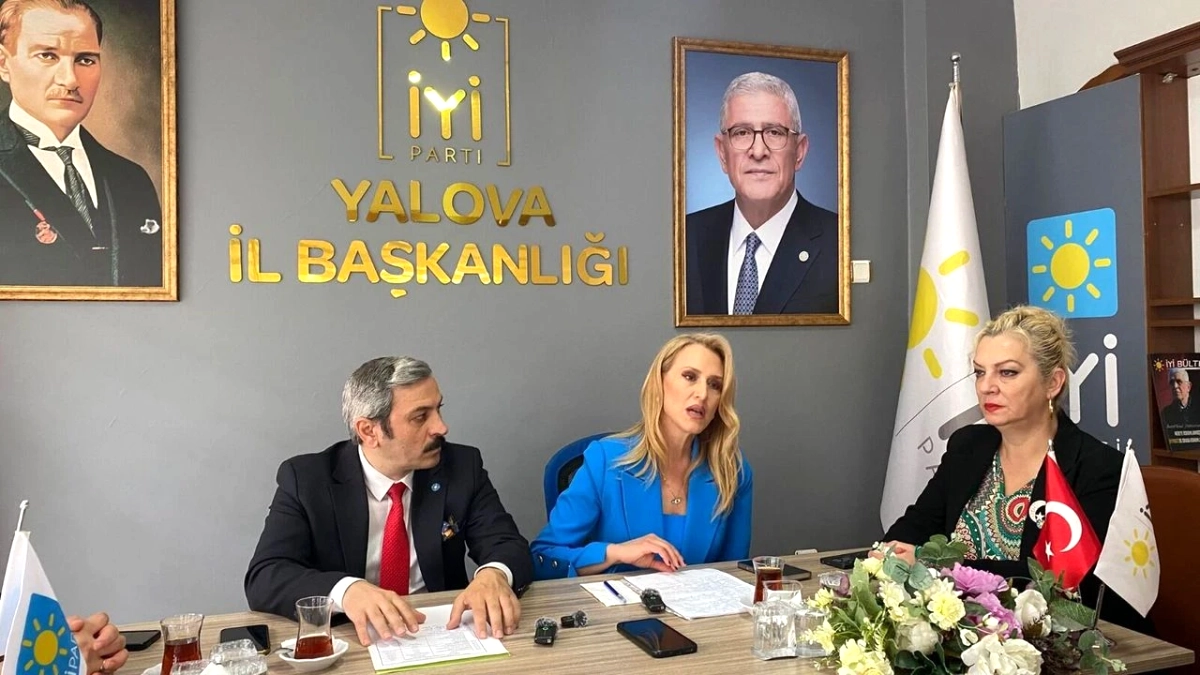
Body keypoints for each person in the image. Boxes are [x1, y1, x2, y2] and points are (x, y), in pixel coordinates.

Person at [881, 305, 1149, 632]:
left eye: (1007, 372)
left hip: (1063, 641)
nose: (986, 386)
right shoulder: (967, 446)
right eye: (980, 372)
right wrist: (895, 554)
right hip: (963, 635)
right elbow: (912, 529)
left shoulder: (1097, 466)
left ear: (1053, 383)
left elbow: (1060, 582)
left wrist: (933, 566)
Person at [245, 356, 533, 645]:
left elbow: (507, 544)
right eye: (420, 417)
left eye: (438, 409)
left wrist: (494, 574)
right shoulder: (307, 480)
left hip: (443, 633)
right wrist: (347, 590)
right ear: (369, 431)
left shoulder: (461, 467)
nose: (441, 427)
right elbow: (266, 575)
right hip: (351, 638)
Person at [531, 333, 752, 578]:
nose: (702, 394)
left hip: (701, 604)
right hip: (616, 603)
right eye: (690, 377)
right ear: (659, 383)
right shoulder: (604, 461)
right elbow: (543, 557)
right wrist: (615, 553)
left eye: (715, 385)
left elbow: (734, 572)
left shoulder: (732, 470)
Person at [0, 0, 163, 288]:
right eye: (47, 55)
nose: (70, 79)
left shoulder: (132, 179)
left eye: (85, 60)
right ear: (3, 63)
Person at [685, 71, 839, 316]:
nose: (758, 151)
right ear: (722, 153)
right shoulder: (684, 239)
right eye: (742, 132)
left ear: (799, 152)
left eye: (774, 132)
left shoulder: (840, 242)